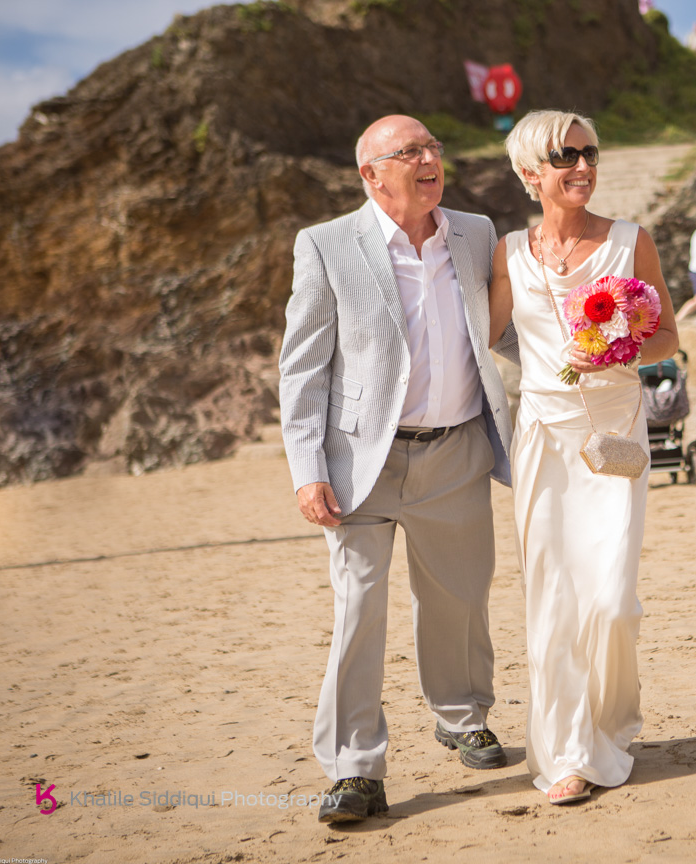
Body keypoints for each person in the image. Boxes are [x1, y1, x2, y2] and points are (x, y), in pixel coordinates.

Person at [279, 114, 516, 825]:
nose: (427, 159)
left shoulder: (475, 233)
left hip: (458, 451)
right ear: (371, 173)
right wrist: (305, 467)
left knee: (461, 598)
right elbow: (303, 368)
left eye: (432, 148)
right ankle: (355, 767)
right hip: (361, 463)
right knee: (359, 612)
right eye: (408, 151)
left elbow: (505, 331)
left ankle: (461, 714)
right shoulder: (324, 246)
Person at [488, 110, 680, 806]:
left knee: (610, 603)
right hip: (542, 434)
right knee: (554, 600)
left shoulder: (631, 242)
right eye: (564, 155)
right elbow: (478, 333)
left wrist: (623, 341)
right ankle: (569, 753)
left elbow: (668, 339)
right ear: (529, 172)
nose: (582, 166)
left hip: (617, 437)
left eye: (589, 152)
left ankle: (612, 726)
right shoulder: (507, 251)